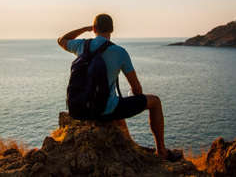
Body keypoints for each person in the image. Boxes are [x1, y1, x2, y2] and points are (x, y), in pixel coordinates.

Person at [57, 13, 179, 160]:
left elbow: (61, 40)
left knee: (115, 104)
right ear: (112, 29)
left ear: (94, 28)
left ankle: (130, 144)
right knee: (155, 102)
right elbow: (137, 88)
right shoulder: (120, 52)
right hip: (104, 111)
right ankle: (162, 151)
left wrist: (85, 28)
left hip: (79, 110)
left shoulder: (82, 45)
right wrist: (134, 95)